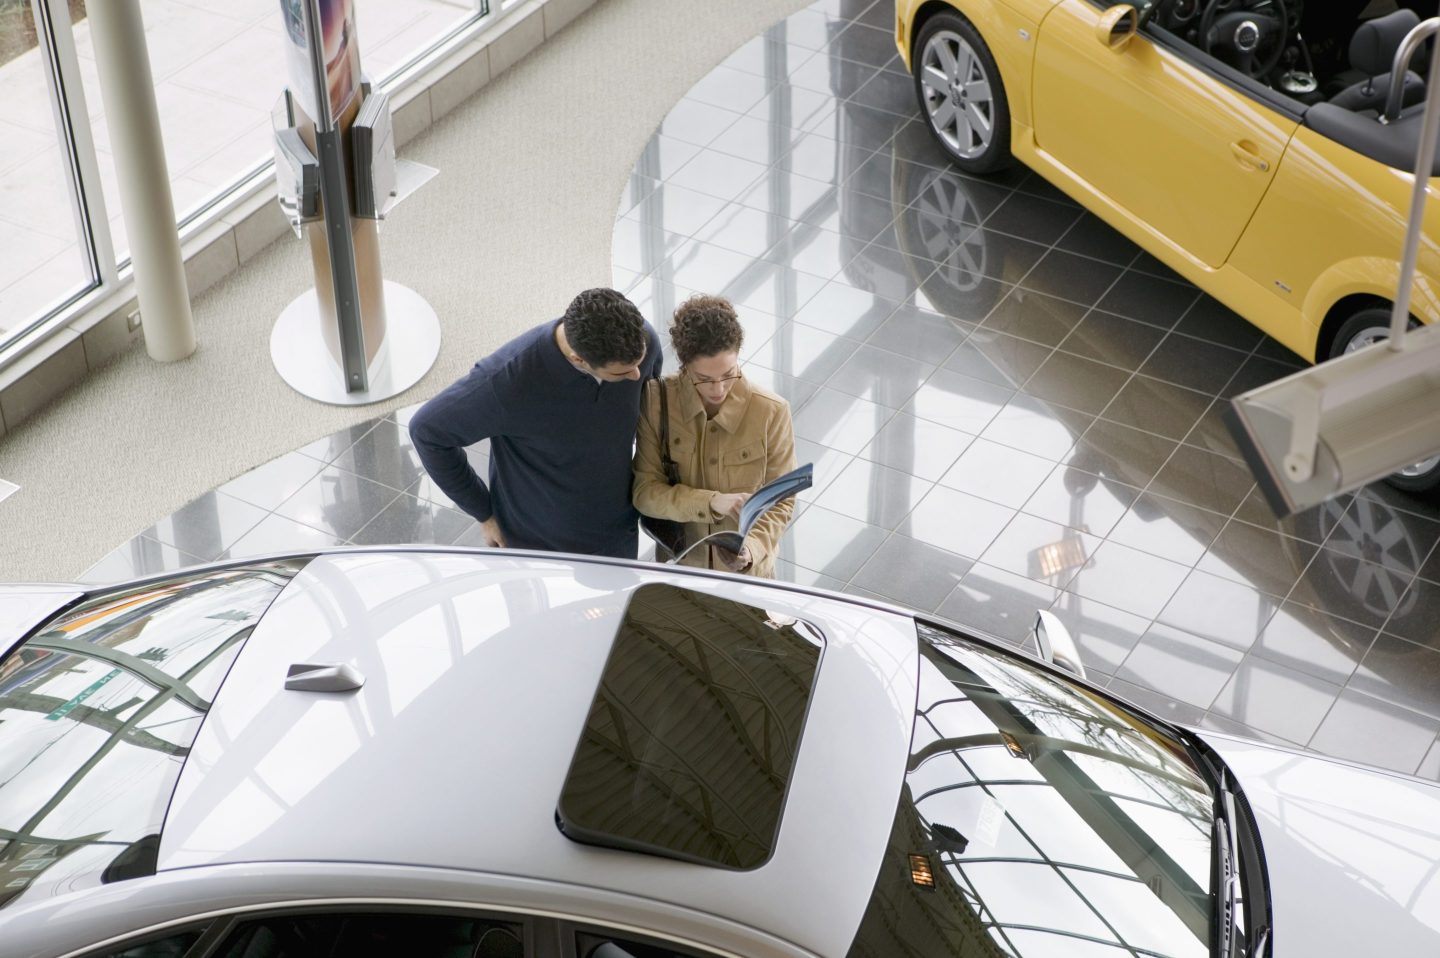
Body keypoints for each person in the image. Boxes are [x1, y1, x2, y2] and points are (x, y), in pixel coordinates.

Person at [409, 288, 661, 558]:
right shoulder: (507, 381)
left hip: (618, 529)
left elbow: (651, 417)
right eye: (622, 373)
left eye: (638, 363)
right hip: (539, 542)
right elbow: (427, 432)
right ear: (579, 359)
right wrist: (483, 511)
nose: (637, 375)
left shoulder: (642, 343)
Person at [633, 294, 797, 577]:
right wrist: (711, 502)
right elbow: (645, 493)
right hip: (682, 572)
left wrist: (752, 549)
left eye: (728, 374)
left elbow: (781, 502)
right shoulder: (657, 401)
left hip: (748, 577)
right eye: (704, 379)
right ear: (684, 364)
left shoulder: (772, 412)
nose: (718, 389)